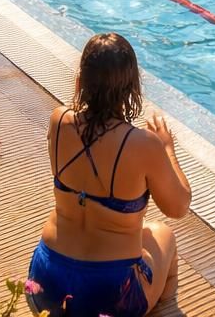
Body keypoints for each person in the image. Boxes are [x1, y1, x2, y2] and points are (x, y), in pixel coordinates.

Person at [27, 33, 190, 317]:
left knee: (144, 233)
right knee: (163, 234)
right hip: (110, 297)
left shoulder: (59, 120)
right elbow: (179, 206)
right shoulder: (143, 144)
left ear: (81, 81)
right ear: (131, 89)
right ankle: (166, 309)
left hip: (45, 284)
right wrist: (166, 148)